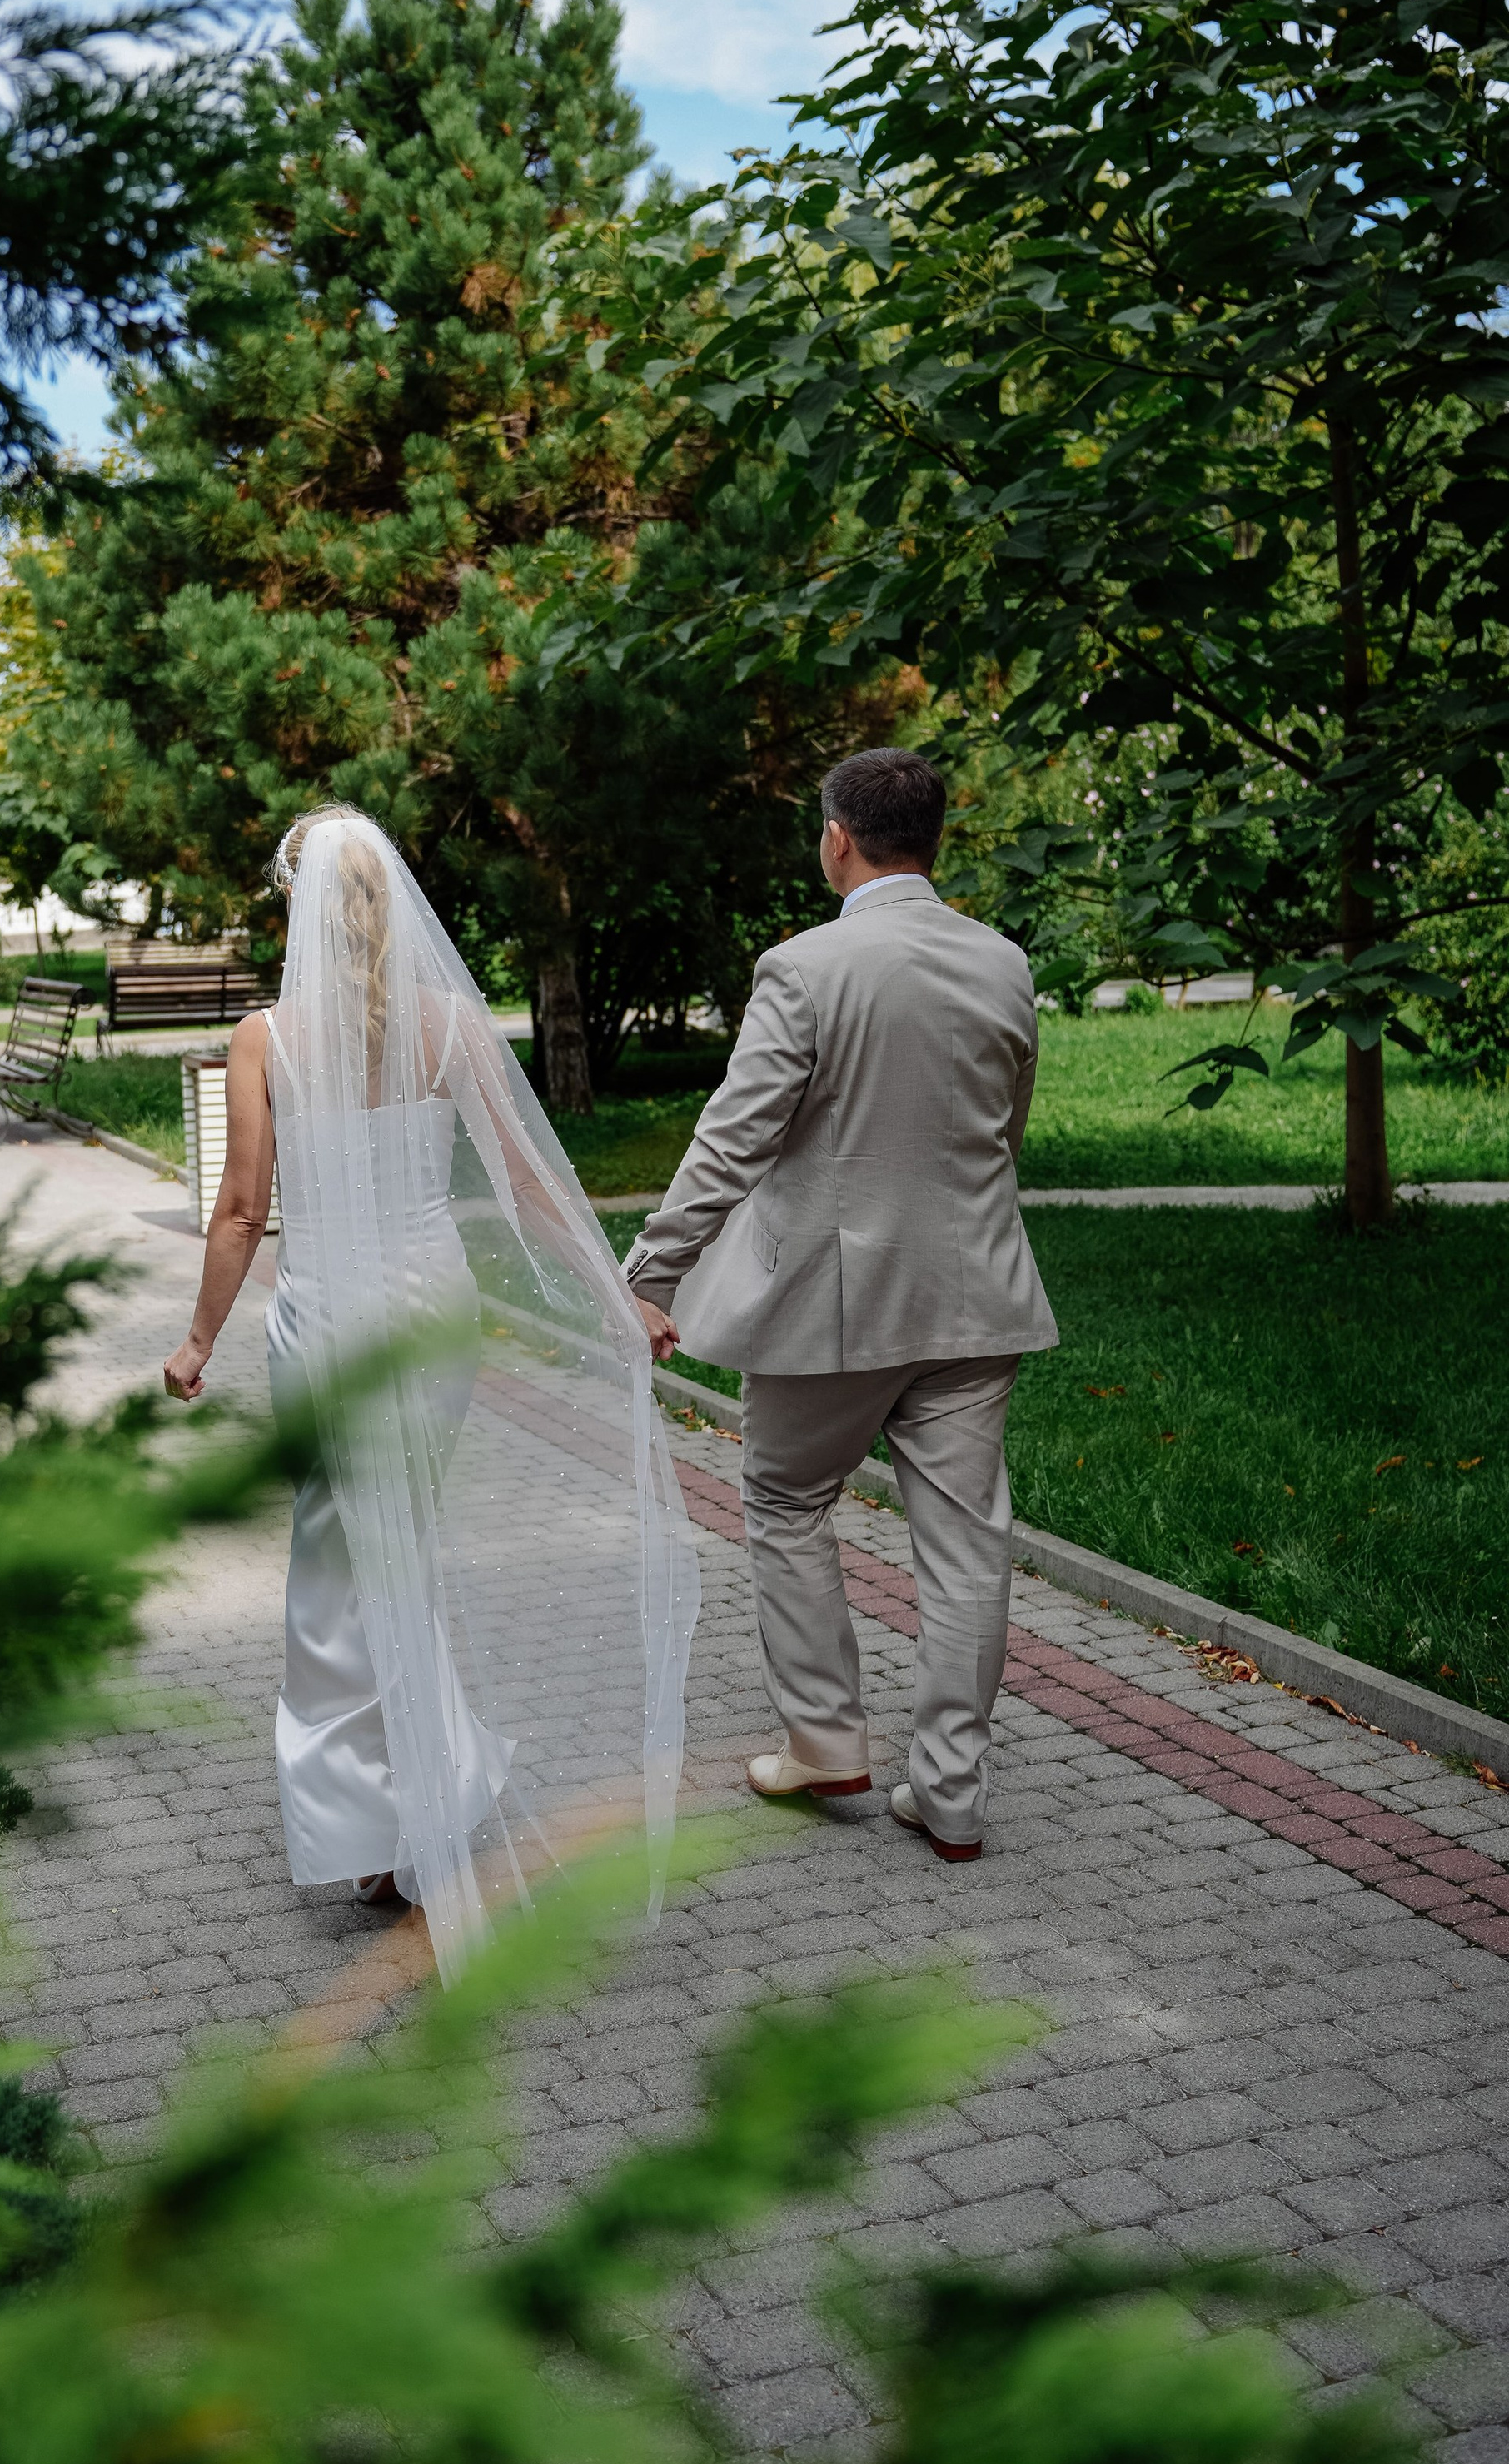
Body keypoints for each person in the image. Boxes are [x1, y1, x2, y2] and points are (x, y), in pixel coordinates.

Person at [162, 806, 700, 1978]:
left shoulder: (267, 1038)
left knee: (336, 1567)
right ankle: (420, 1804)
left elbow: (243, 1211)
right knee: (398, 1553)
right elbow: (527, 1182)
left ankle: (389, 1817)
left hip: (331, 1316)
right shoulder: (451, 1025)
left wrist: (200, 1339)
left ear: (298, 906)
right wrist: (620, 1297)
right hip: (430, 1308)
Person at [623, 749, 1056, 1863]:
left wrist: (651, 1275)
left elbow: (733, 1141)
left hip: (838, 1310)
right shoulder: (1005, 964)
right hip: (978, 1293)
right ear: (936, 840)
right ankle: (951, 1792)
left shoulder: (805, 968)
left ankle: (824, 1739)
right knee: (968, 1549)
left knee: (782, 1496)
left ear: (836, 838)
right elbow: (1002, 1133)